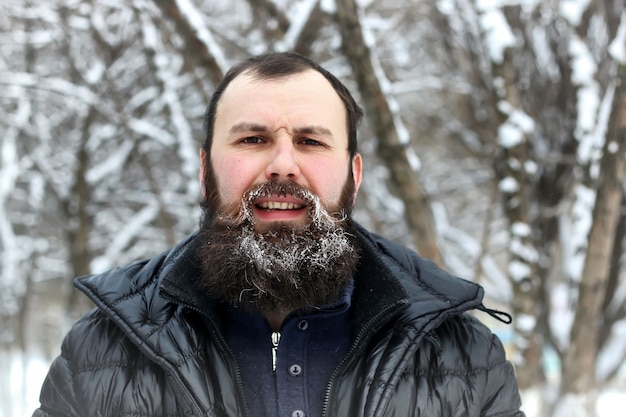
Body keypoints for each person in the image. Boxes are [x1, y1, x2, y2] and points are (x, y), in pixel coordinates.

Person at [34, 52, 525, 417]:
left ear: (354, 176)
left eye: (310, 141)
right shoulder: (103, 352)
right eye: (253, 139)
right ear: (206, 172)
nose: (283, 165)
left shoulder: (463, 357)